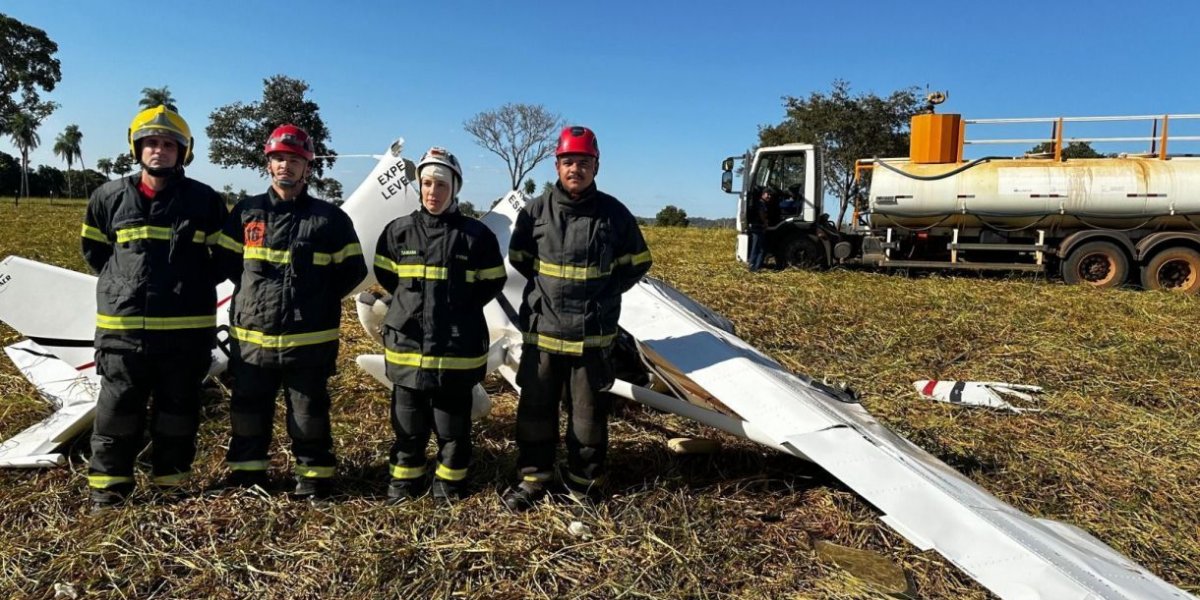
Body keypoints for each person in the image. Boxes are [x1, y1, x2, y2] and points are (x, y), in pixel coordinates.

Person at [81, 105, 227, 510]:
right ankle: (108, 493)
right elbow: (95, 253)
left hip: (185, 333)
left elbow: (224, 259)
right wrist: (125, 289)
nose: (158, 150)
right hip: (123, 331)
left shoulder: (205, 201)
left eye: (168, 144)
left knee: (178, 413)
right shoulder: (107, 197)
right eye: (150, 143)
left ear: (183, 152)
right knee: (116, 412)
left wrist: (187, 287)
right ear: (137, 147)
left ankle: (172, 489)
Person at [502, 126, 653, 511]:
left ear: (596, 166)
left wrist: (603, 297)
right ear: (557, 164)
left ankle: (582, 485)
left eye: (584, 163)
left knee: (588, 421)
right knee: (535, 414)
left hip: (592, 339)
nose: (576, 169)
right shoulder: (534, 212)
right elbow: (521, 260)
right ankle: (534, 478)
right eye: (569, 162)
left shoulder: (614, 214)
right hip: (543, 337)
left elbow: (636, 263)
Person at [214, 124, 367, 499]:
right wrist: (257, 296)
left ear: (307, 168)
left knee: (308, 412)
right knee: (249, 409)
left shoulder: (330, 220)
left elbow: (353, 271)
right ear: (268, 164)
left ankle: (313, 480)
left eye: (294, 160)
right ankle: (248, 476)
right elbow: (227, 261)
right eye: (279, 158)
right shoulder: (247, 212)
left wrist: (315, 300)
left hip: (308, 340)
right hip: (253, 338)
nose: (286, 166)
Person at [372, 147, 506, 504]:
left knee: (453, 429)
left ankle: (448, 487)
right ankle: (403, 486)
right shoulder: (398, 232)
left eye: (441, 185)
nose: (433, 191)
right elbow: (389, 276)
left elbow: (491, 282)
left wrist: (456, 309)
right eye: (427, 183)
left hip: (455, 352)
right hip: (407, 350)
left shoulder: (476, 237)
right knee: (408, 428)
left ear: (455, 188)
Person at [747, 187, 770, 272]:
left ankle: (755, 266)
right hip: (757, 228)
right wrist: (765, 223)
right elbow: (761, 214)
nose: (769, 196)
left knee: (758, 247)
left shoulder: (761, 203)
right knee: (758, 248)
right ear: (763, 195)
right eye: (768, 194)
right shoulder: (761, 204)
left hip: (758, 228)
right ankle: (754, 267)